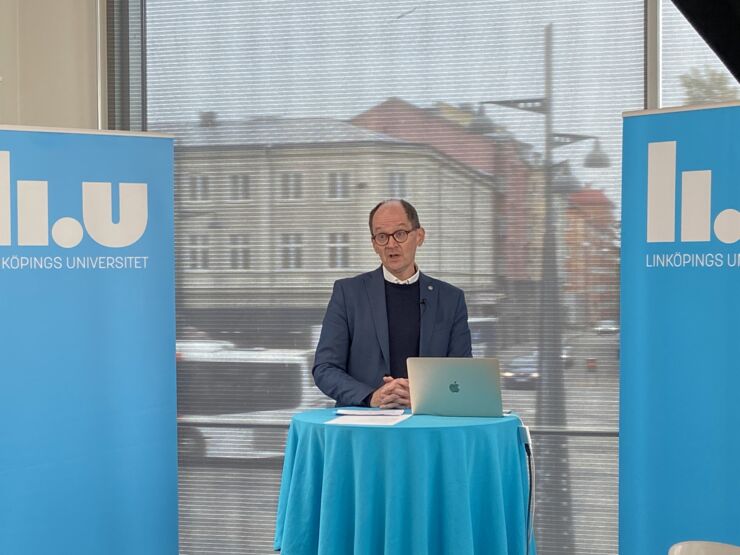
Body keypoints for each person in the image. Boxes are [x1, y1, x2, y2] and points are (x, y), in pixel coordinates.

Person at [312, 199, 472, 408]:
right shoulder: (348, 293)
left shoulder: (451, 299)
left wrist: (422, 396)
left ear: (419, 236)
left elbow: (463, 373)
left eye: (400, 234)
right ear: (374, 244)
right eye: (381, 237)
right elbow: (325, 368)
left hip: (427, 424)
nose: (391, 244)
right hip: (364, 423)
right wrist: (371, 396)